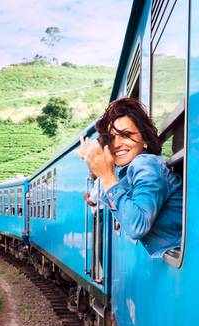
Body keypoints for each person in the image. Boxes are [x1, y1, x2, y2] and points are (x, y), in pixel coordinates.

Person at [78, 97, 183, 258]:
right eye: (112, 137)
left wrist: (106, 176)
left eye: (126, 135)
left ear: (145, 140)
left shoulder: (146, 164)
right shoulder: (131, 170)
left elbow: (137, 226)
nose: (117, 144)